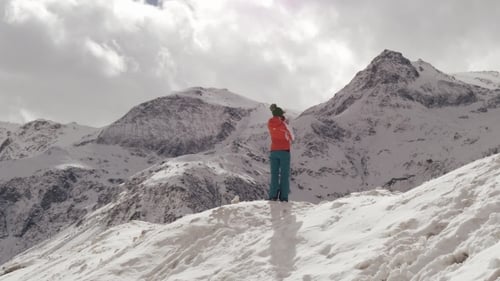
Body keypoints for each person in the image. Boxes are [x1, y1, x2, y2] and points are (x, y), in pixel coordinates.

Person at [267, 104, 294, 202]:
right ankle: (283, 197)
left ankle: (273, 195)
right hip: (284, 152)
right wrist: (286, 122)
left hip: (273, 151)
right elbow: (292, 138)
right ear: (280, 116)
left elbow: (276, 123)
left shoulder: (269, 123)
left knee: (274, 174)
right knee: (284, 174)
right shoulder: (284, 125)